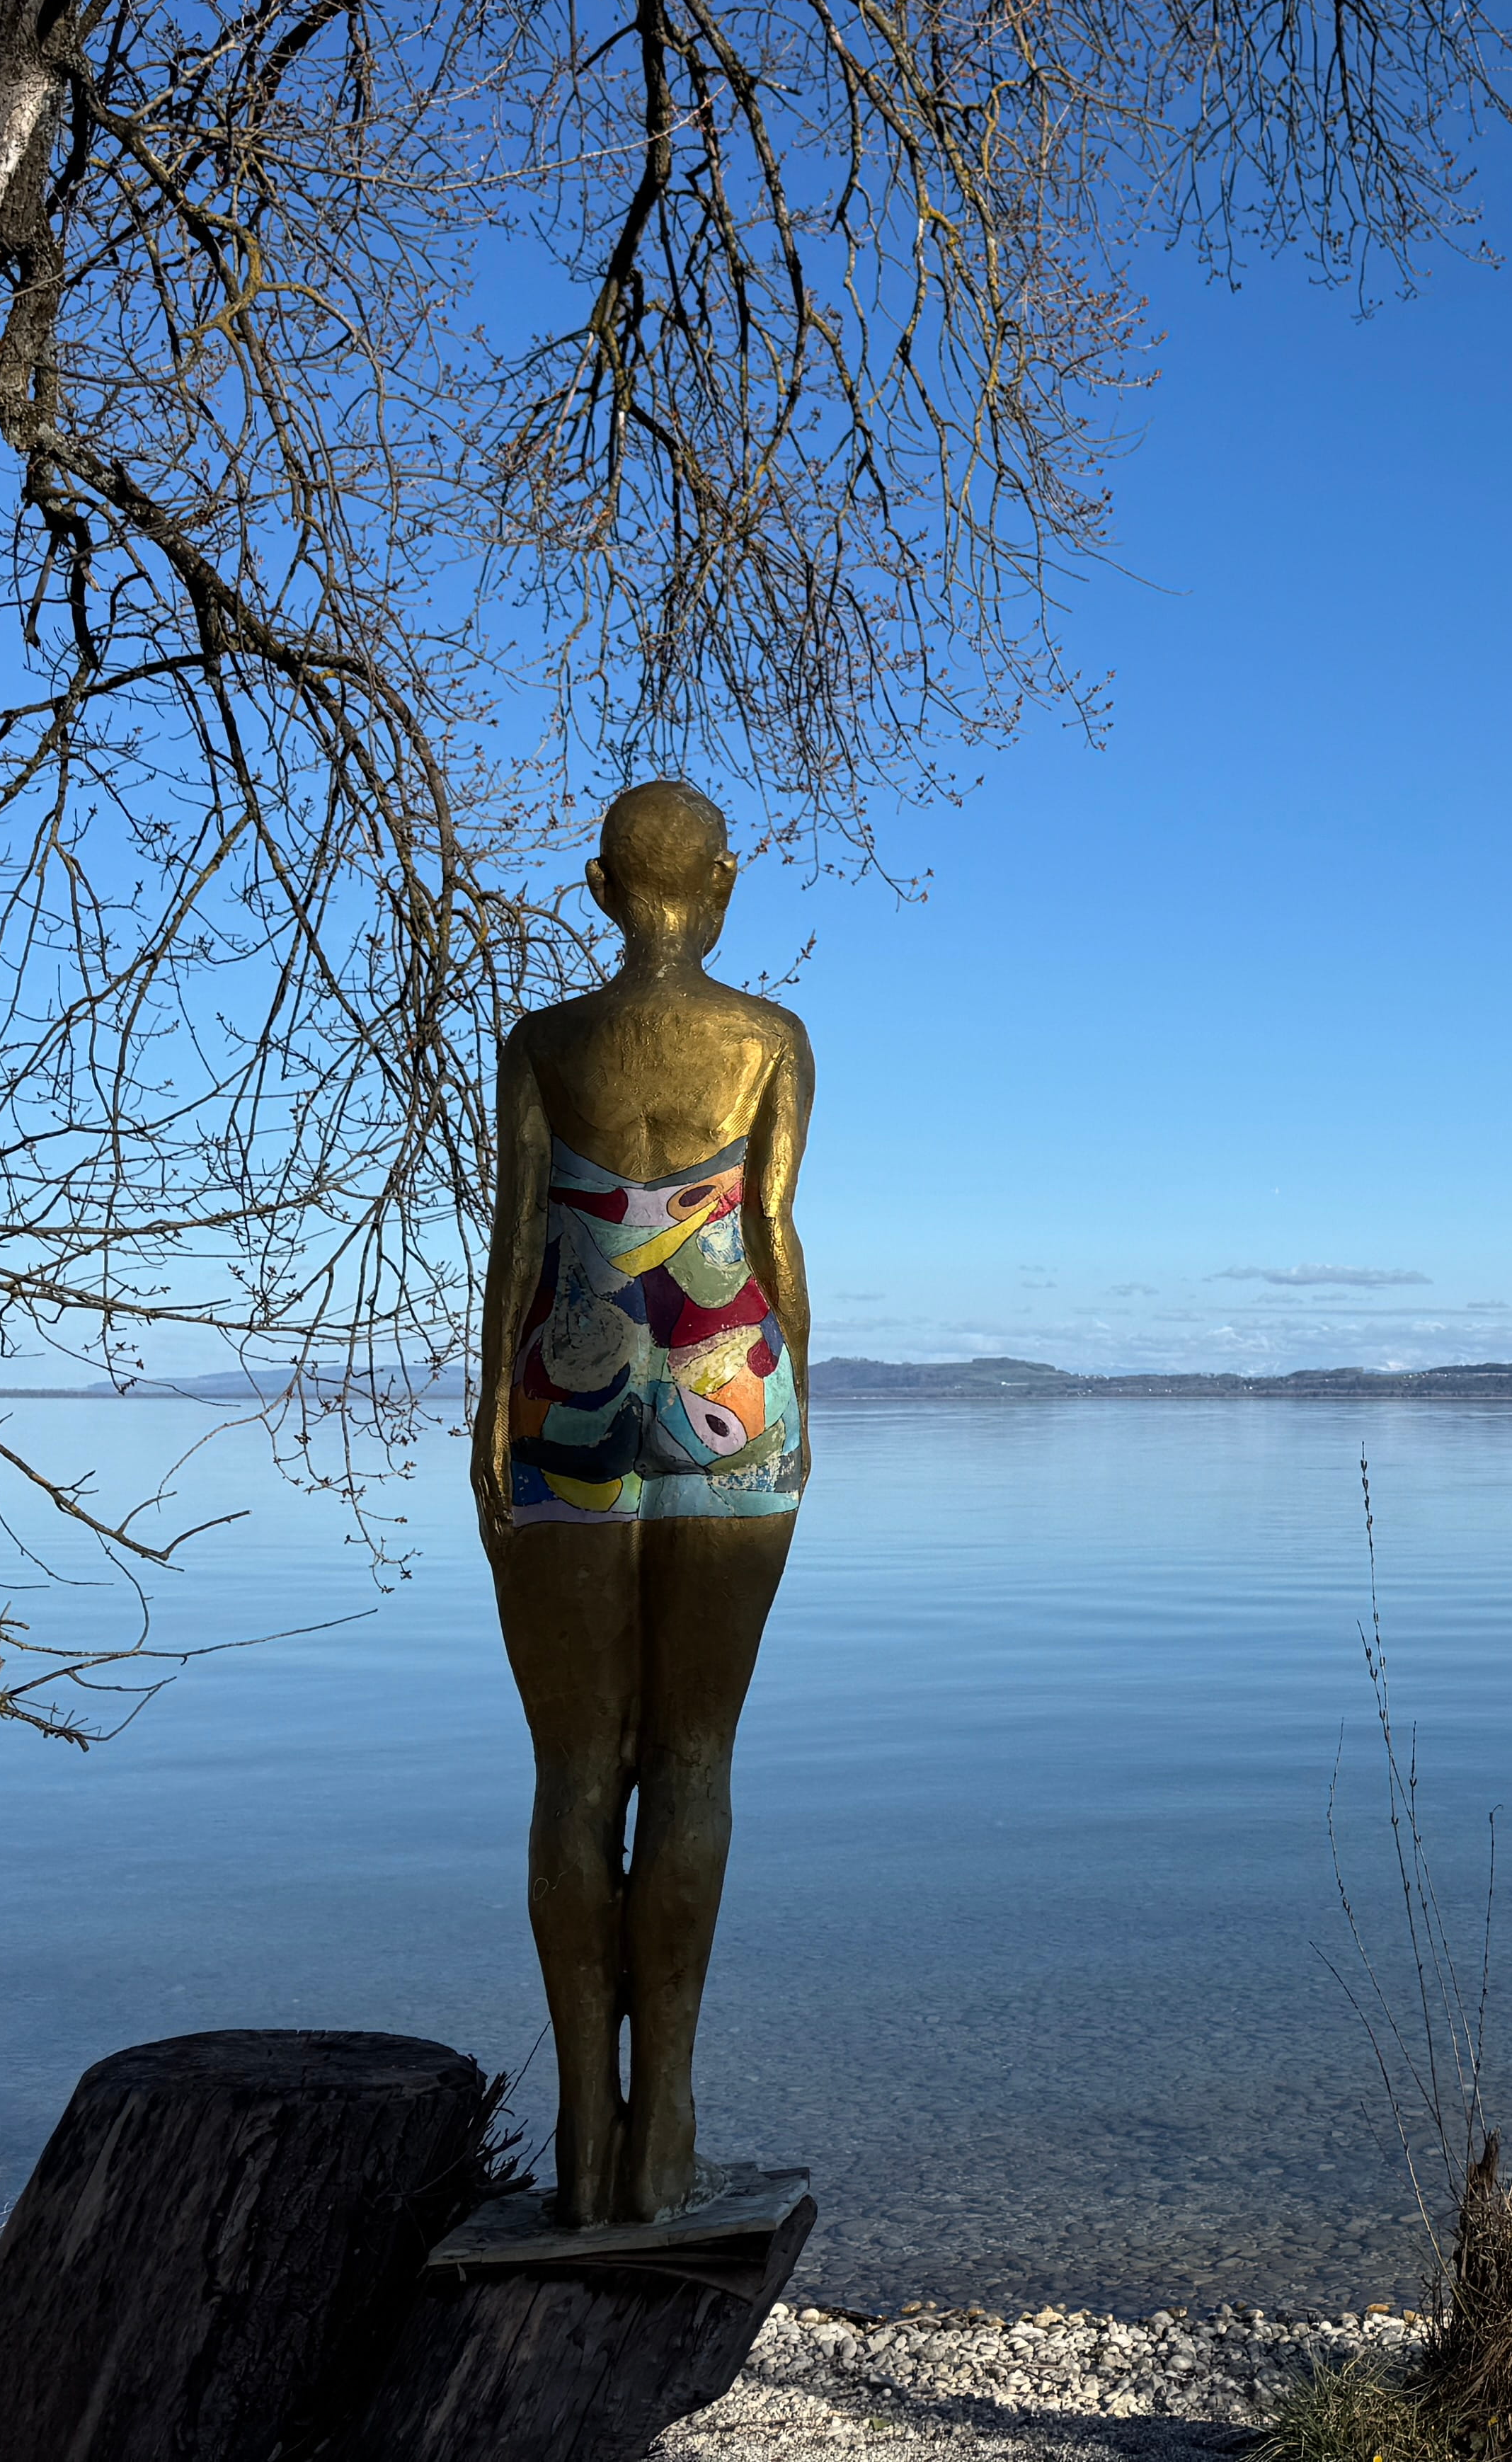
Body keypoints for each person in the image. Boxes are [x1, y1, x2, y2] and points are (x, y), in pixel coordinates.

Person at [473, 777, 813, 2226]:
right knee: (691, 1759)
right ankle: (667, 2109)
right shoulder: (771, 1039)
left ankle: (583, 2128)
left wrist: (493, 1413)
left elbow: (514, 1237)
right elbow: (775, 1232)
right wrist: (799, 1401)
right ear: (725, 881)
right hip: (732, 1392)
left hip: (567, 1392)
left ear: (600, 885)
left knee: (574, 1769)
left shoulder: (543, 1043)